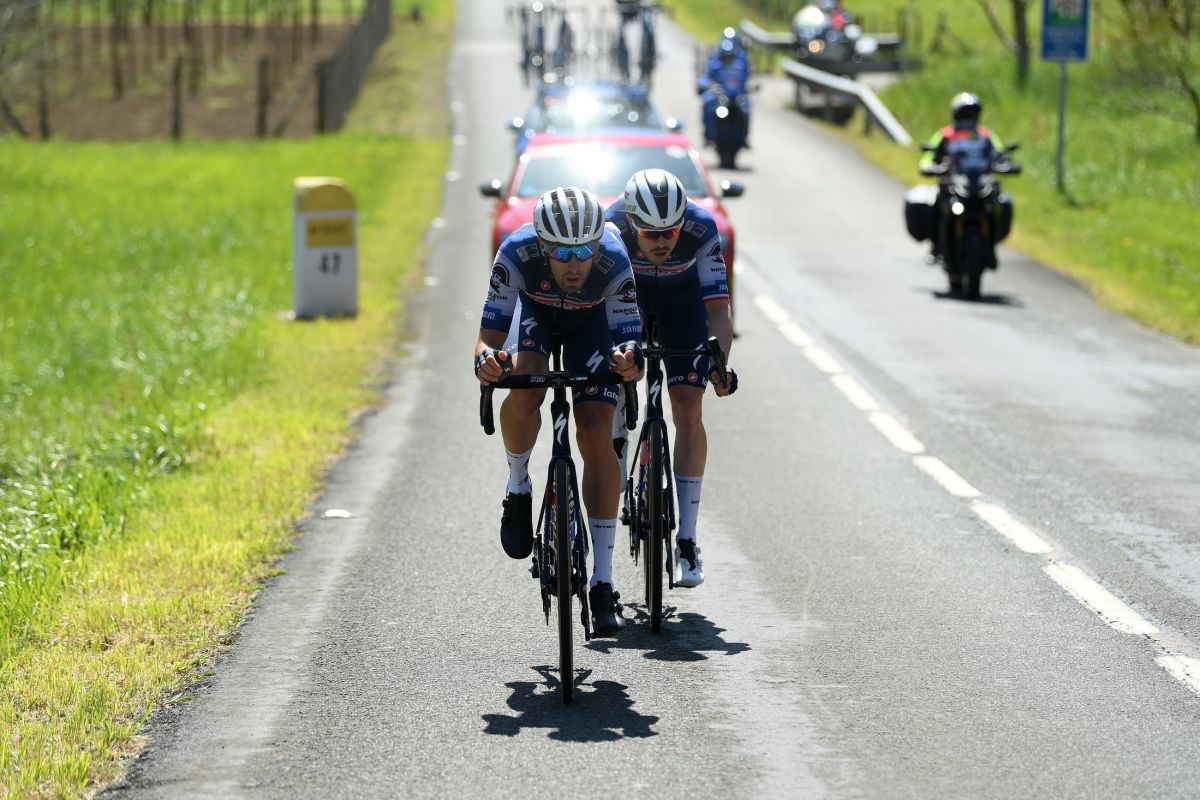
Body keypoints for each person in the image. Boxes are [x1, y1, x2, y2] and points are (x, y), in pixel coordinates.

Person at [474, 187, 643, 637]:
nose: (574, 263)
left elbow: (629, 339)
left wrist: (629, 361)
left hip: (593, 325)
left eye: (584, 251)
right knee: (525, 386)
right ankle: (518, 484)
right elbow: (489, 337)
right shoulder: (516, 252)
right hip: (537, 318)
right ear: (541, 244)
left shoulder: (614, 259)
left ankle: (602, 581)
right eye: (562, 253)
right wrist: (487, 361)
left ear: (597, 245)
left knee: (596, 431)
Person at [604, 169, 738, 589]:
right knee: (616, 379)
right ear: (631, 222)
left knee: (688, 408)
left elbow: (718, 308)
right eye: (650, 233)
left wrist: (719, 363)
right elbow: (601, 305)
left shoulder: (701, 227)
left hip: (683, 304)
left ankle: (687, 540)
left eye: (670, 232)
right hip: (629, 300)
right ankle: (617, 441)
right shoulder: (611, 225)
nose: (662, 241)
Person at [919, 92, 1008, 260]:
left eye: (972, 114)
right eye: (964, 114)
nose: (968, 118)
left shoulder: (985, 135)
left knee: (1001, 204)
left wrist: (1005, 164)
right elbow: (929, 156)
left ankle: (991, 246)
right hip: (952, 185)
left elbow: (1000, 153)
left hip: (981, 184)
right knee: (936, 205)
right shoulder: (945, 134)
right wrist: (930, 166)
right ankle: (936, 245)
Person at [698, 37, 751, 146]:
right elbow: (706, 78)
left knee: (746, 108)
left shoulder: (740, 65)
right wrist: (709, 85)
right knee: (708, 104)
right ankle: (708, 134)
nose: (727, 59)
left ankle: (744, 136)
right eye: (725, 56)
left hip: (736, 97)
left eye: (730, 56)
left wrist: (748, 88)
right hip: (720, 97)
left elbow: (746, 80)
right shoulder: (715, 64)